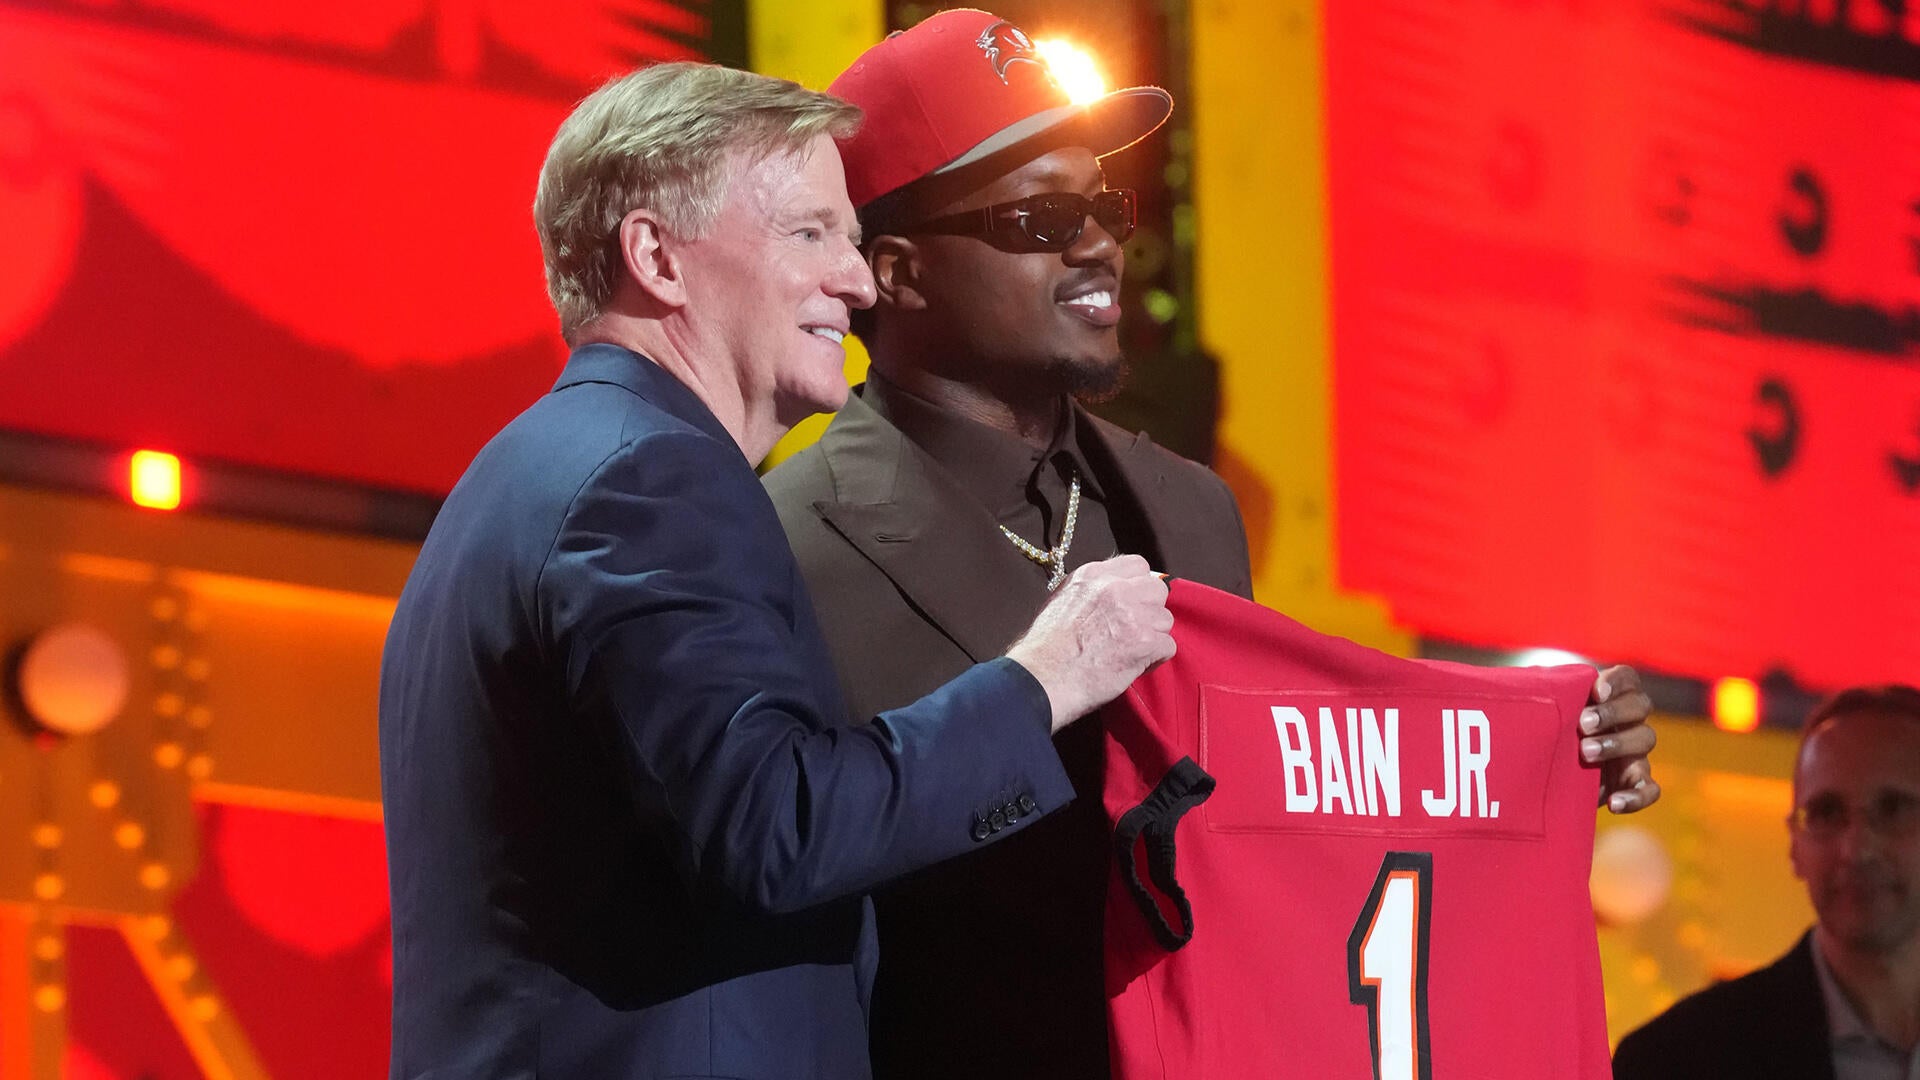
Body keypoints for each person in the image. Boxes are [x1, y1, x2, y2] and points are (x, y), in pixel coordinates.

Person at [762, 10, 1662, 1079]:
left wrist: (1548, 751)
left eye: (1103, 205)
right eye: (1042, 215)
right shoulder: (786, 542)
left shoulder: (1187, 509)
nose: (1098, 244)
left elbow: (1290, 820)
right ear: (898, 273)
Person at [378, 61, 1179, 1080]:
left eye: (849, 236)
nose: (855, 280)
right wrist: (1044, 679)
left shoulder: (535, 469)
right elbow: (775, 826)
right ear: (656, 258)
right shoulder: (649, 480)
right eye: (809, 234)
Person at [1612, 684, 1920, 1080]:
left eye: (1893, 809)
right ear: (1794, 845)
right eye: (1826, 812)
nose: (1857, 848)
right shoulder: (1676, 1059)